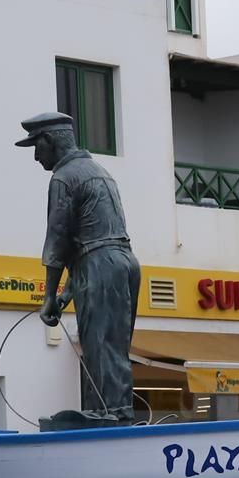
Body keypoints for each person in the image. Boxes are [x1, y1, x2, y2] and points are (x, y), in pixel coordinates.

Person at [17, 111, 141, 423]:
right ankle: (111, 410)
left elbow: (57, 241)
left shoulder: (64, 177)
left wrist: (49, 296)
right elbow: (94, 245)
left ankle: (111, 415)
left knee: (100, 343)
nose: (35, 157)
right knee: (109, 343)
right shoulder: (99, 171)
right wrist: (67, 295)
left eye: (36, 146)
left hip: (102, 265)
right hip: (120, 262)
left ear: (49, 141)